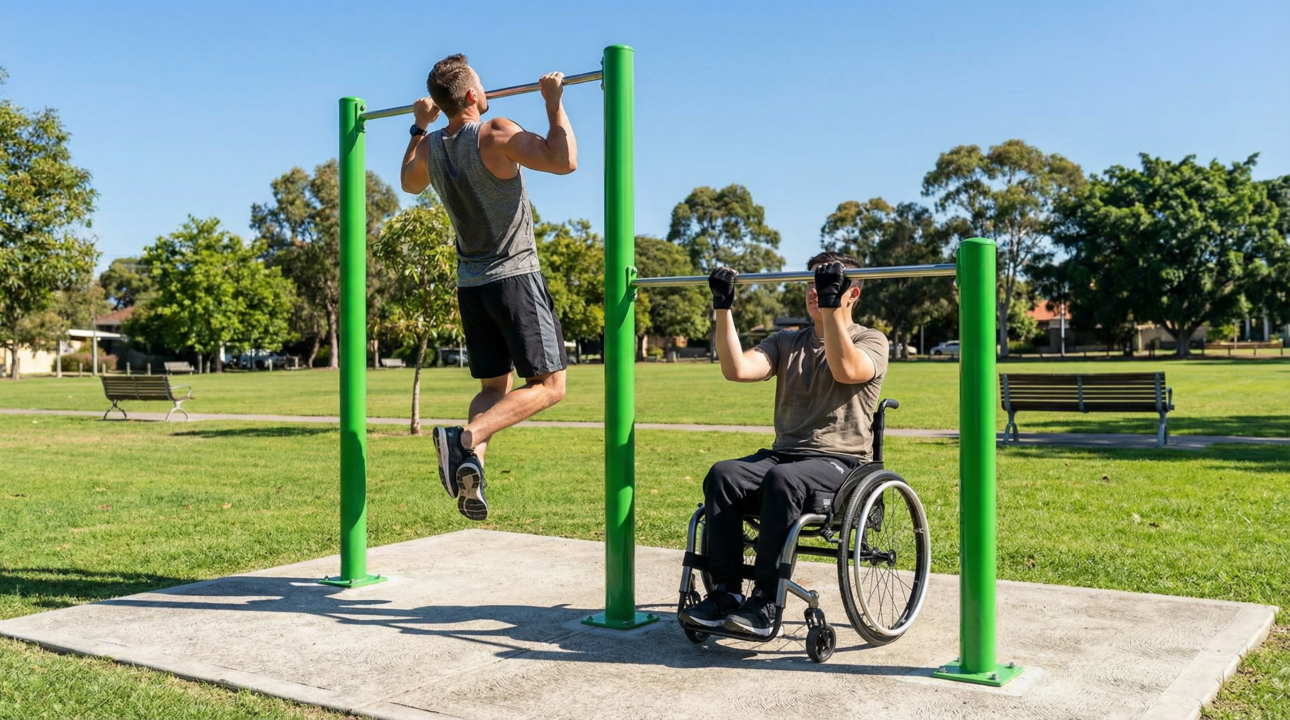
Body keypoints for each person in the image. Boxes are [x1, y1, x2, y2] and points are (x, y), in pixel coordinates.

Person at [400, 54, 576, 521]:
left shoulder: (432, 148)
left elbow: (408, 183)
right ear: (474, 96)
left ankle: (469, 465)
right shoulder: (494, 131)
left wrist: (420, 126)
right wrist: (553, 103)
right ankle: (463, 439)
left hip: (471, 287)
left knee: (494, 389)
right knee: (552, 386)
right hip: (515, 279)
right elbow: (565, 161)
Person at [678, 252, 890, 637]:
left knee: (783, 480)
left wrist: (831, 309)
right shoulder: (787, 341)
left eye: (827, 285)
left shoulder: (871, 340)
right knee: (723, 475)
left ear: (852, 293)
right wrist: (722, 307)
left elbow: (846, 369)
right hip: (784, 456)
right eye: (811, 284)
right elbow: (737, 369)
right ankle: (725, 593)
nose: (815, 291)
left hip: (841, 463)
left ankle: (764, 602)